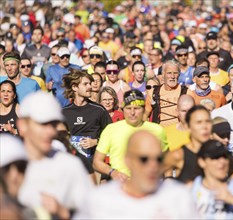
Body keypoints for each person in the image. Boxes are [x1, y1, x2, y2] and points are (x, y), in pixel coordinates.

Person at [75, 131, 198, 219]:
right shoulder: (99, 201)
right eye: (144, 159)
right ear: (128, 160)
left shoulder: (179, 197)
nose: (153, 166)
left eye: (159, 159)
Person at [16, 91, 93, 219]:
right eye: (43, 124)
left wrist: (63, 212)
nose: (51, 131)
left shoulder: (70, 164)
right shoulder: (7, 164)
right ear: (23, 125)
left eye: (53, 124)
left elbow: (91, 212)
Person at [93, 89, 168, 182]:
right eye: (128, 108)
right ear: (123, 109)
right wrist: (113, 172)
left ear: (144, 109)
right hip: (121, 186)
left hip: (149, 184)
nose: (132, 113)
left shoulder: (157, 130)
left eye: (136, 108)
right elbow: (97, 161)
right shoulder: (111, 129)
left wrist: (168, 180)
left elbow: (167, 160)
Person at [62, 69, 112, 183]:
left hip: (95, 167)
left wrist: (95, 142)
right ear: (74, 87)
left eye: (90, 83)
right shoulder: (64, 112)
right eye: (85, 84)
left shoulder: (99, 110)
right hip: (73, 169)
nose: (90, 86)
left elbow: (111, 137)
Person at [163, 105, 212, 183]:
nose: (204, 126)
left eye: (208, 121)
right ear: (188, 126)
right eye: (199, 122)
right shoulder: (178, 155)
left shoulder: (218, 152)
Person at [144, 60, 188, 127]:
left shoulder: (186, 92)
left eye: (175, 73)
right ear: (163, 74)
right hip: (160, 133)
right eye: (169, 73)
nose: (172, 76)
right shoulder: (153, 92)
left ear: (179, 74)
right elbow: (145, 115)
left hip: (179, 133)